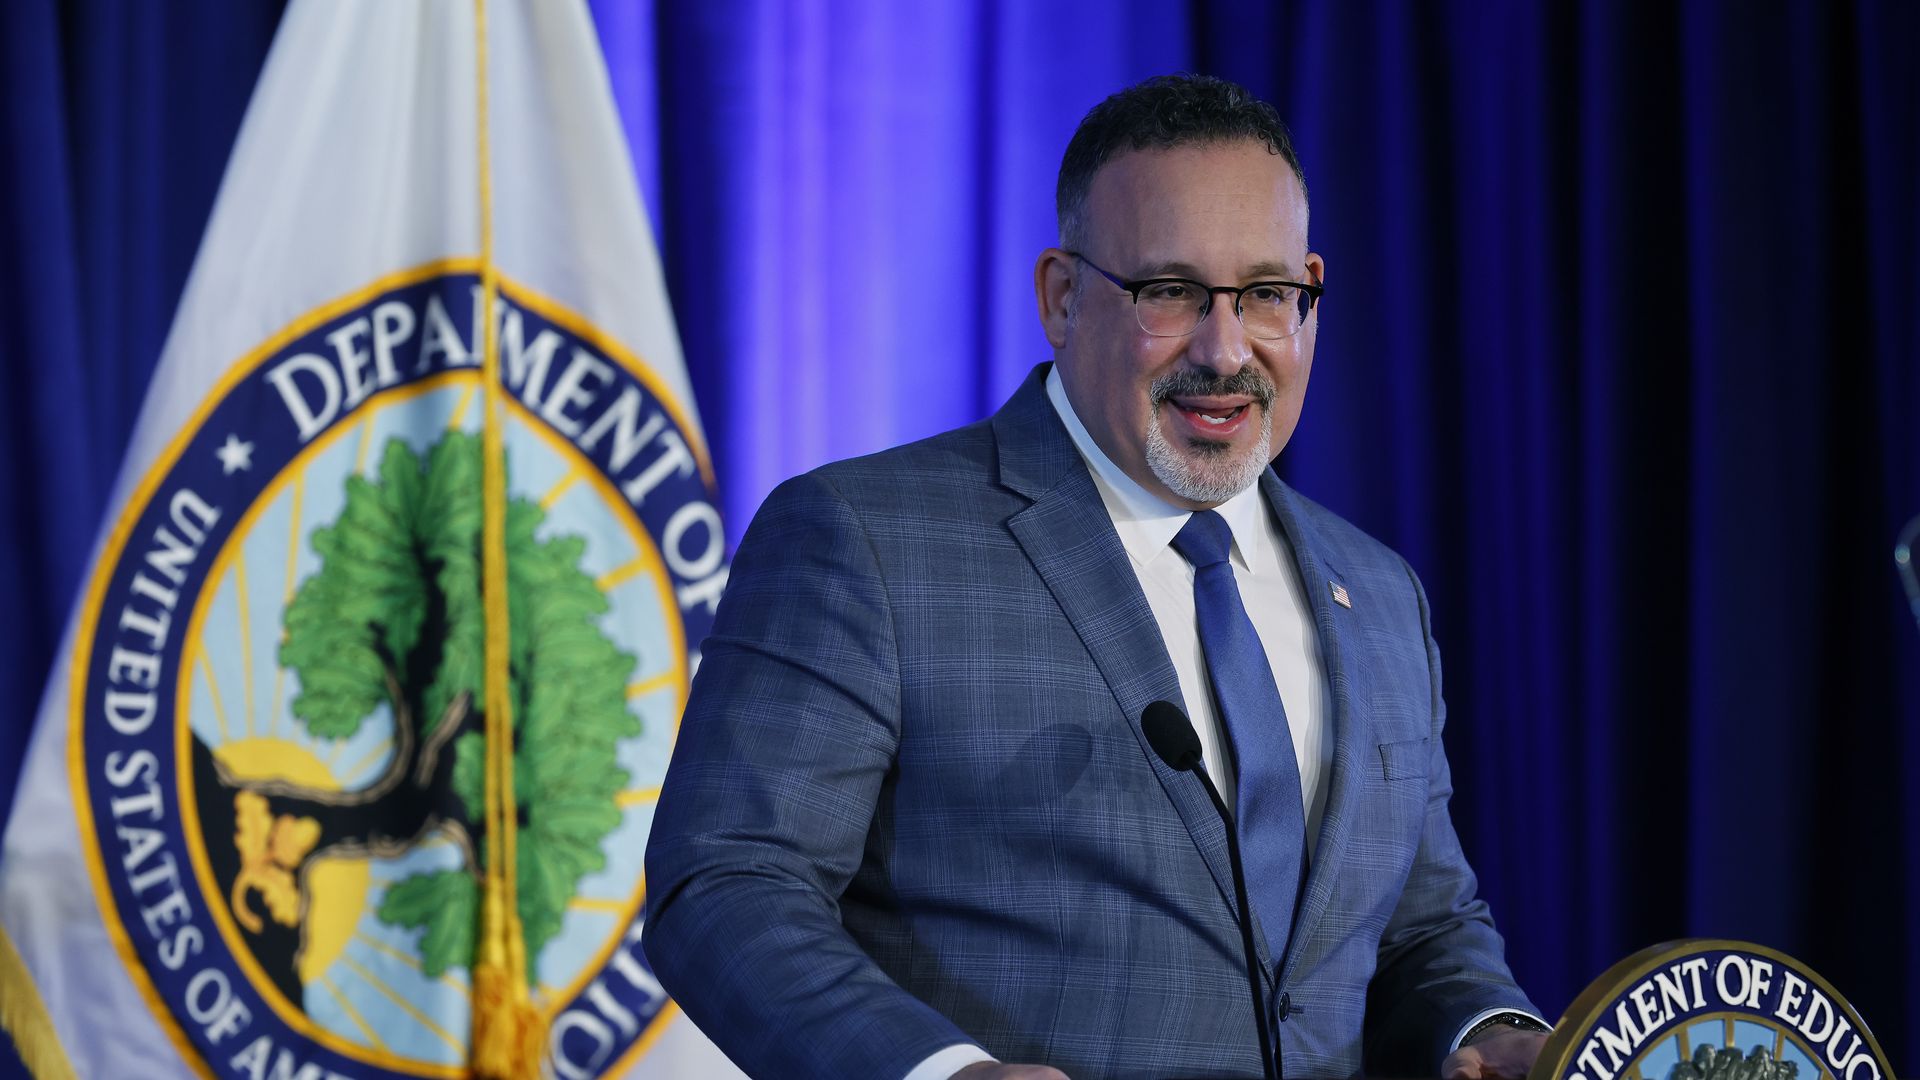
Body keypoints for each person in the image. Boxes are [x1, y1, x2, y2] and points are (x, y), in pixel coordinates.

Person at [644, 74, 1550, 1079]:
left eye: (1265, 295)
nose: (1224, 348)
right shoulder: (865, 540)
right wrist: (944, 1074)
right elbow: (726, 885)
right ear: (1062, 298)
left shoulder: (1379, 593)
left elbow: (1422, 930)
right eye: (1170, 292)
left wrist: (1492, 1036)